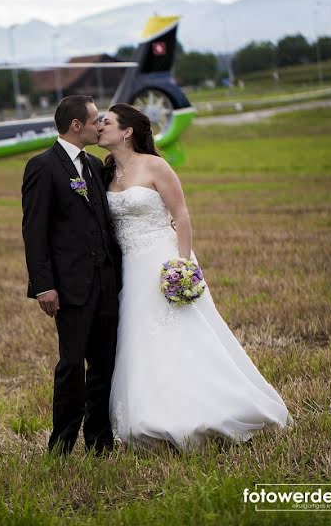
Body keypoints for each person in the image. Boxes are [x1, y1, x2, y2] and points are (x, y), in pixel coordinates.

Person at [97, 103, 290, 450]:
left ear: (126, 131)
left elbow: (181, 214)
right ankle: (150, 417)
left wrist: (183, 265)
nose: (99, 126)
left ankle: (212, 409)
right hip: (130, 267)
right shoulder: (107, 174)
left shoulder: (155, 165)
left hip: (163, 260)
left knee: (183, 334)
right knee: (139, 339)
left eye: (106, 122)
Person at [21, 95, 122, 455]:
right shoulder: (42, 166)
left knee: (103, 364)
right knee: (70, 366)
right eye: (96, 120)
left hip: (106, 284)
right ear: (76, 125)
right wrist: (43, 285)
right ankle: (61, 444)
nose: (100, 125)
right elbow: (34, 232)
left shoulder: (95, 166)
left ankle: (100, 443)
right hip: (70, 288)